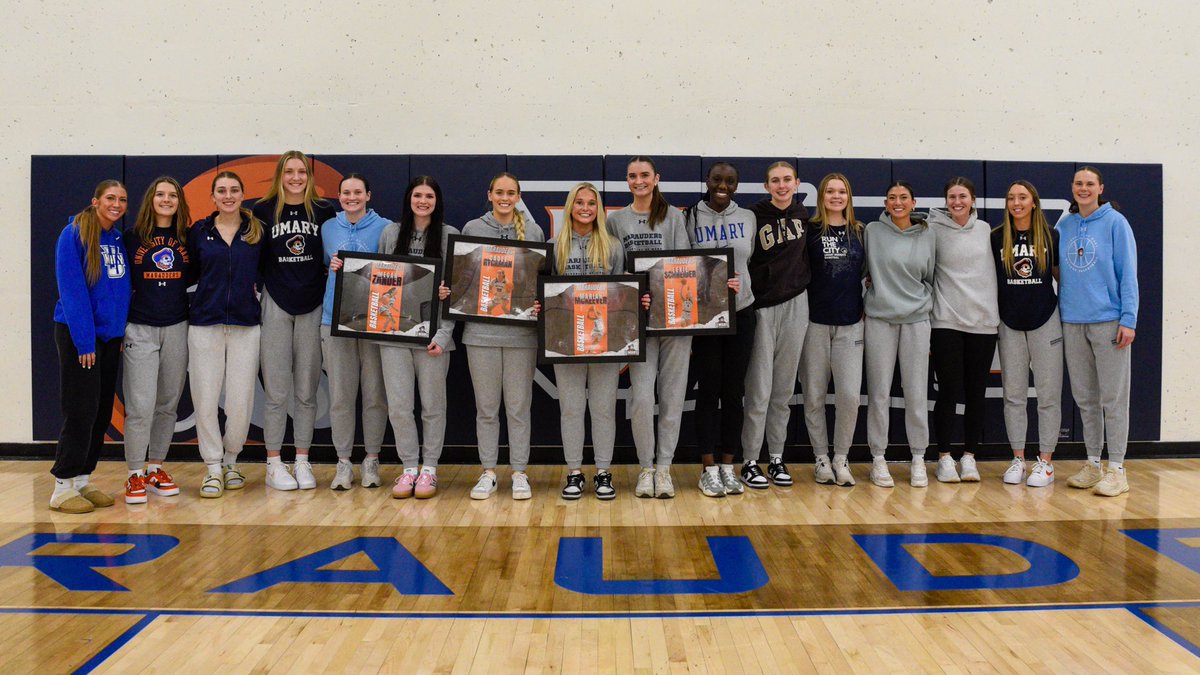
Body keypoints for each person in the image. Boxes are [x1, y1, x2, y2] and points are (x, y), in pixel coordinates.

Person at [606, 156, 692, 498]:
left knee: (672, 398)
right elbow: (612, 269)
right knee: (641, 399)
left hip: (674, 322)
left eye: (645, 175)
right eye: (632, 176)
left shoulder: (673, 217)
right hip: (637, 323)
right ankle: (646, 468)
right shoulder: (616, 221)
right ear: (627, 181)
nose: (639, 180)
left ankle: (665, 469)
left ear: (656, 178)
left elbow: (685, 267)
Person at [252, 150, 336, 491]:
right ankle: (274, 462)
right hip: (275, 302)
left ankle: (302, 459)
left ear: (309, 176)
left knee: (306, 390)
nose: (296, 177)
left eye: (302, 171)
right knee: (275, 391)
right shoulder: (261, 210)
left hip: (313, 304)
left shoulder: (325, 211)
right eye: (290, 171)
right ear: (280, 175)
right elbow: (254, 257)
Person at [462, 172, 545, 500]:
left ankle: (520, 472)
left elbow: (539, 279)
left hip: (521, 335)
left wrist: (538, 301)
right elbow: (464, 279)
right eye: (499, 192)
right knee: (486, 408)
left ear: (518, 196)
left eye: (511, 193)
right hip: (479, 333)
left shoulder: (534, 231)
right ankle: (488, 472)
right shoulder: (472, 229)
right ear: (490, 194)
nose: (505, 198)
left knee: (518, 408)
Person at [50, 180, 131, 513]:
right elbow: (72, 292)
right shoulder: (74, 234)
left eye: (123, 199)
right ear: (95, 201)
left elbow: (120, 290)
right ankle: (62, 486)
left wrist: (117, 332)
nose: (117, 204)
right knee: (81, 408)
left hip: (110, 338)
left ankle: (83, 478)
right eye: (110, 198)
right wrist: (85, 341)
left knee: (100, 412)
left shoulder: (116, 238)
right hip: (79, 337)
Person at [1058, 166, 1139, 497]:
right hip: (1072, 321)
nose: (1083, 188)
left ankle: (1117, 469)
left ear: (1100, 188)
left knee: (1113, 397)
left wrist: (1129, 319)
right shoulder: (1064, 224)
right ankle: (1093, 463)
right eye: (1078, 183)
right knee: (1085, 398)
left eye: (1090, 183)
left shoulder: (1115, 223)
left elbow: (1128, 274)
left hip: (1108, 320)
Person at [377, 176, 459, 499]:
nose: (422, 201)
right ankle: (409, 467)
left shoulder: (450, 235)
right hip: (395, 333)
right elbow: (378, 278)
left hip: (434, 337)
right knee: (398, 406)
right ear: (409, 199)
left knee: (433, 406)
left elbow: (457, 292)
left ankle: (430, 469)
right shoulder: (390, 233)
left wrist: (444, 332)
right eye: (417, 195)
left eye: (429, 196)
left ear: (437, 200)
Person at [187, 171, 265, 498]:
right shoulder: (199, 232)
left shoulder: (257, 232)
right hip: (205, 323)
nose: (228, 195)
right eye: (222, 191)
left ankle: (232, 459)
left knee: (241, 398)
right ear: (213, 197)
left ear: (243, 194)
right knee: (205, 397)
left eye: (234, 189)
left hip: (246, 324)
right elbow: (188, 274)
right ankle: (213, 467)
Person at [551, 182, 624, 500]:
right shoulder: (555, 245)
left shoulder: (613, 245)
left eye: (591, 203)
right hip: (566, 339)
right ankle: (575, 472)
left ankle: (604, 471)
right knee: (570, 408)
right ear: (570, 207)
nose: (584, 207)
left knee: (604, 408)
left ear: (599, 209)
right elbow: (547, 291)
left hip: (603, 338)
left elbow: (623, 293)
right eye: (578, 202)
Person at [740, 161, 811, 488]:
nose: (781, 185)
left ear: (796, 183)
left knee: (782, 390)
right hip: (763, 307)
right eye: (775, 181)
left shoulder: (806, 216)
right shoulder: (753, 216)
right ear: (766, 185)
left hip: (797, 304)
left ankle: (777, 457)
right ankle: (750, 460)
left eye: (787, 180)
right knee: (759, 389)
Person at [686, 162, 754, 497]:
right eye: (717, 179)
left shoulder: (748, 217)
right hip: (707, 316)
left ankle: (729, 466)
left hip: (742, 311)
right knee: (708, 390)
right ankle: (708, 468)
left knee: (733, 393)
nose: (722, 185)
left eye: (730, 180)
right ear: (708, 181)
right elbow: (681, 266)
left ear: (736, 185)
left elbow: (748, 261)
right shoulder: (690, 217)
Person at [121, 177, 191, 504]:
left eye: (172, 195)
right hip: (140, 328)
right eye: (160, 194)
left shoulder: (186, 238)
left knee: (167, 404)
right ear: (151, 199)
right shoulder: (131, 238)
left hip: (177, 326)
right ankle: (134, 474)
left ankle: (155, 468)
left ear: (179, 201)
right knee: (140, 406)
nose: (166, 200)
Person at [320, 173, 391, 490]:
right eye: (346, 193)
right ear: (339, 196)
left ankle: (372, 460)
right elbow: (327, 264)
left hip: (375, 320)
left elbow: (393, 271)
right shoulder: (328, 228)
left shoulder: (386, 228)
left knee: (375, 394)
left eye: (358, 192)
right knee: (340, 396)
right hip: (334, 319)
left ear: (368, 195)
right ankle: (343, 462)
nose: (352, 197)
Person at [864, 181, 936, 488]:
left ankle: (918, 458)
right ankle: (878, 459)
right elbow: (863, 270)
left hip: (917, 320)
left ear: (913, 201)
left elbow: (931, 276)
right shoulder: (872, 231)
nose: (897, 202)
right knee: (879, 393)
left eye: (903, 197)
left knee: (917, 392)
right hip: (880, 319)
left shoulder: (927, 233)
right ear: (885, 202)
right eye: (892, 198)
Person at [928, 177, 998, 483]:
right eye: (952, 196)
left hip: (983, 323)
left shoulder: (985, 231)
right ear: (946, 201)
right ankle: (944, 457)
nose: (957, 201)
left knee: (975, 394)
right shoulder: (933, 230)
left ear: (972, 200)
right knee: (949, 391)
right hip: (946, 321)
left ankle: (969, 456)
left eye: (963, 196)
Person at [993, 180, 1062, 487]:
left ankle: (1045, 463)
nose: (1016, 202)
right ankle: (1018, 459)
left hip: (1045, 319)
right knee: (1014, 396)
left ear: (1034, 202)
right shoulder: (997, 238)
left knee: (1048, 397)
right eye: (1011, 198)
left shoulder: (1052, 235)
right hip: (1009, 322)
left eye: (1022, 197)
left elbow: (1062, 278)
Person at [800, 173, 866, 486]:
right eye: (830, 191)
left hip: (851, 324)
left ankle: (841, 457)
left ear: (849, 197)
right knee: (814, 396)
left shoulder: (860, 232)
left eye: (842, 191)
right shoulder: (809, 231)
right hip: (814, 323)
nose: (836, 196)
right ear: (822, 196)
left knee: (849, 396)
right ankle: (821, 458)